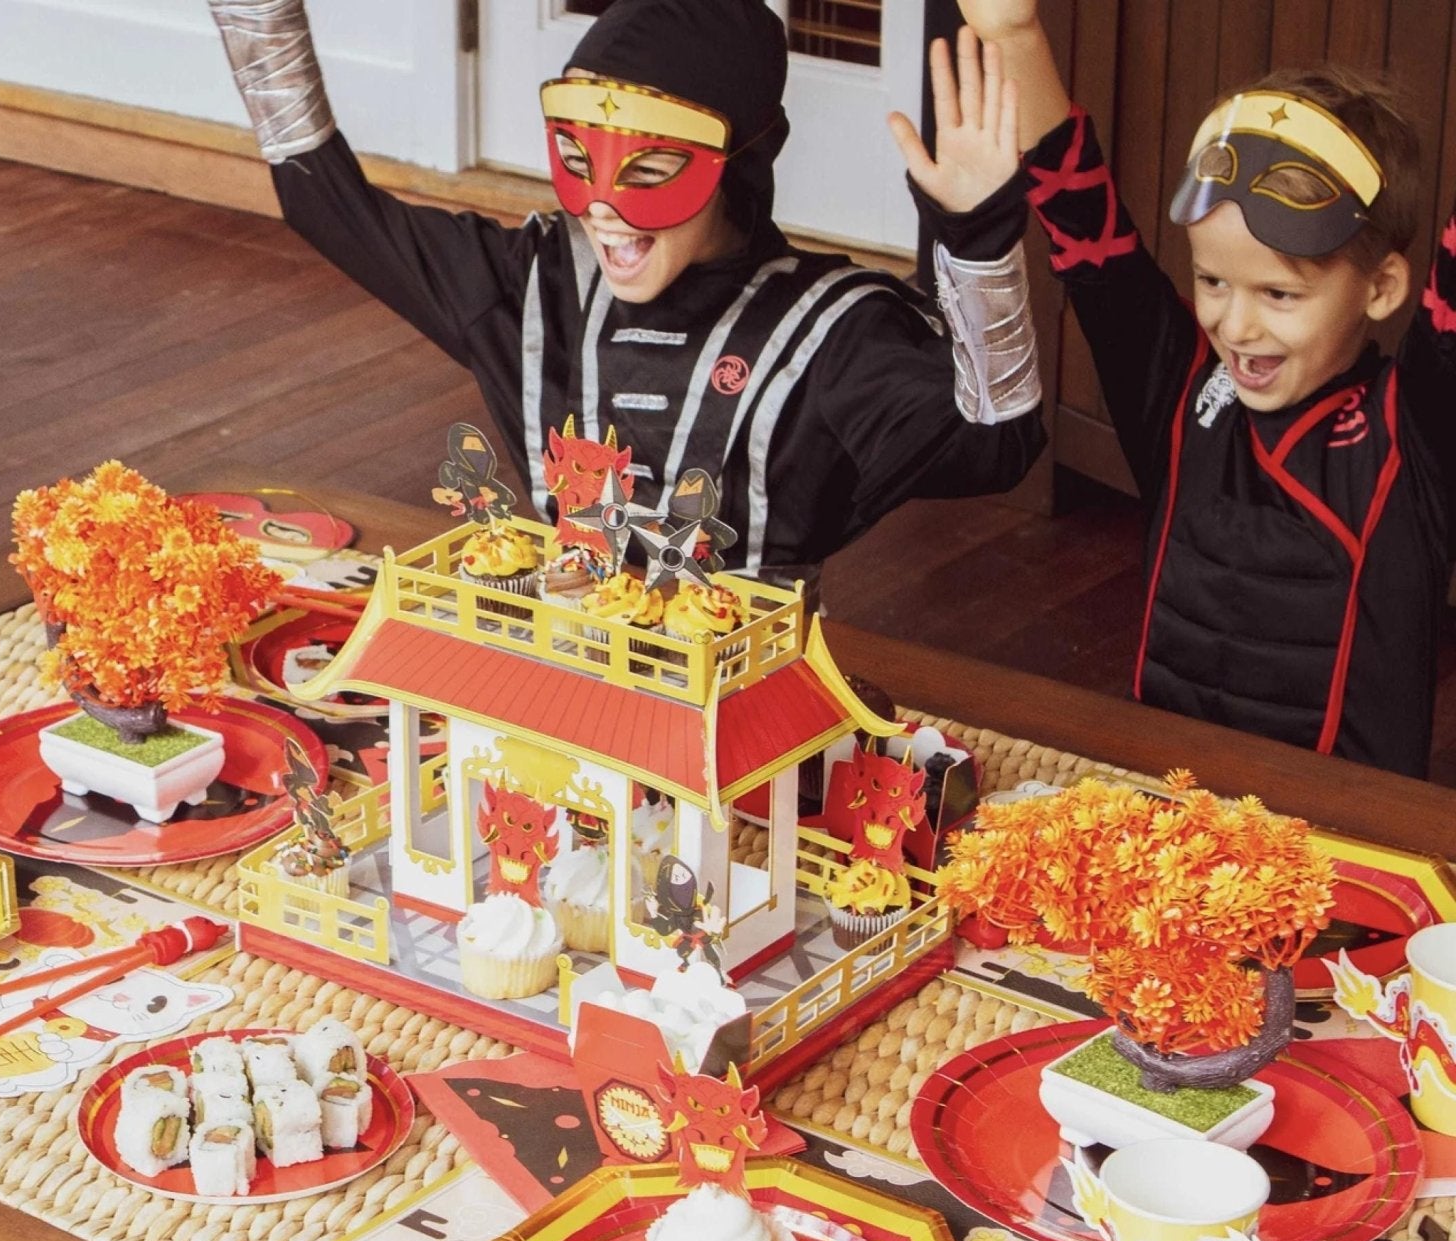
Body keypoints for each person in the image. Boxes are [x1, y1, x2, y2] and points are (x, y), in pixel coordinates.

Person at [204, 0, 1045, 583]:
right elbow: (326, 206)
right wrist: (256, 16)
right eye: (578, 160)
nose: (603, 209)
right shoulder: (535, 283)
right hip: (554, 682)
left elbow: (995, 448)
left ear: (741, 163)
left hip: (744, 717)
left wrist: (979, 243)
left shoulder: (831, 333)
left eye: (649, 171)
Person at [960, 2, 1455, 776]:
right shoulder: (1183, 394)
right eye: (1213, 281)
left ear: (1383, 287)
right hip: (1163, 813)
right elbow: (1089, 234)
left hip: (1340, 841)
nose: (1236, 325)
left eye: (1280, 295)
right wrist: (1014, 36)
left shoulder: (1410, 440)